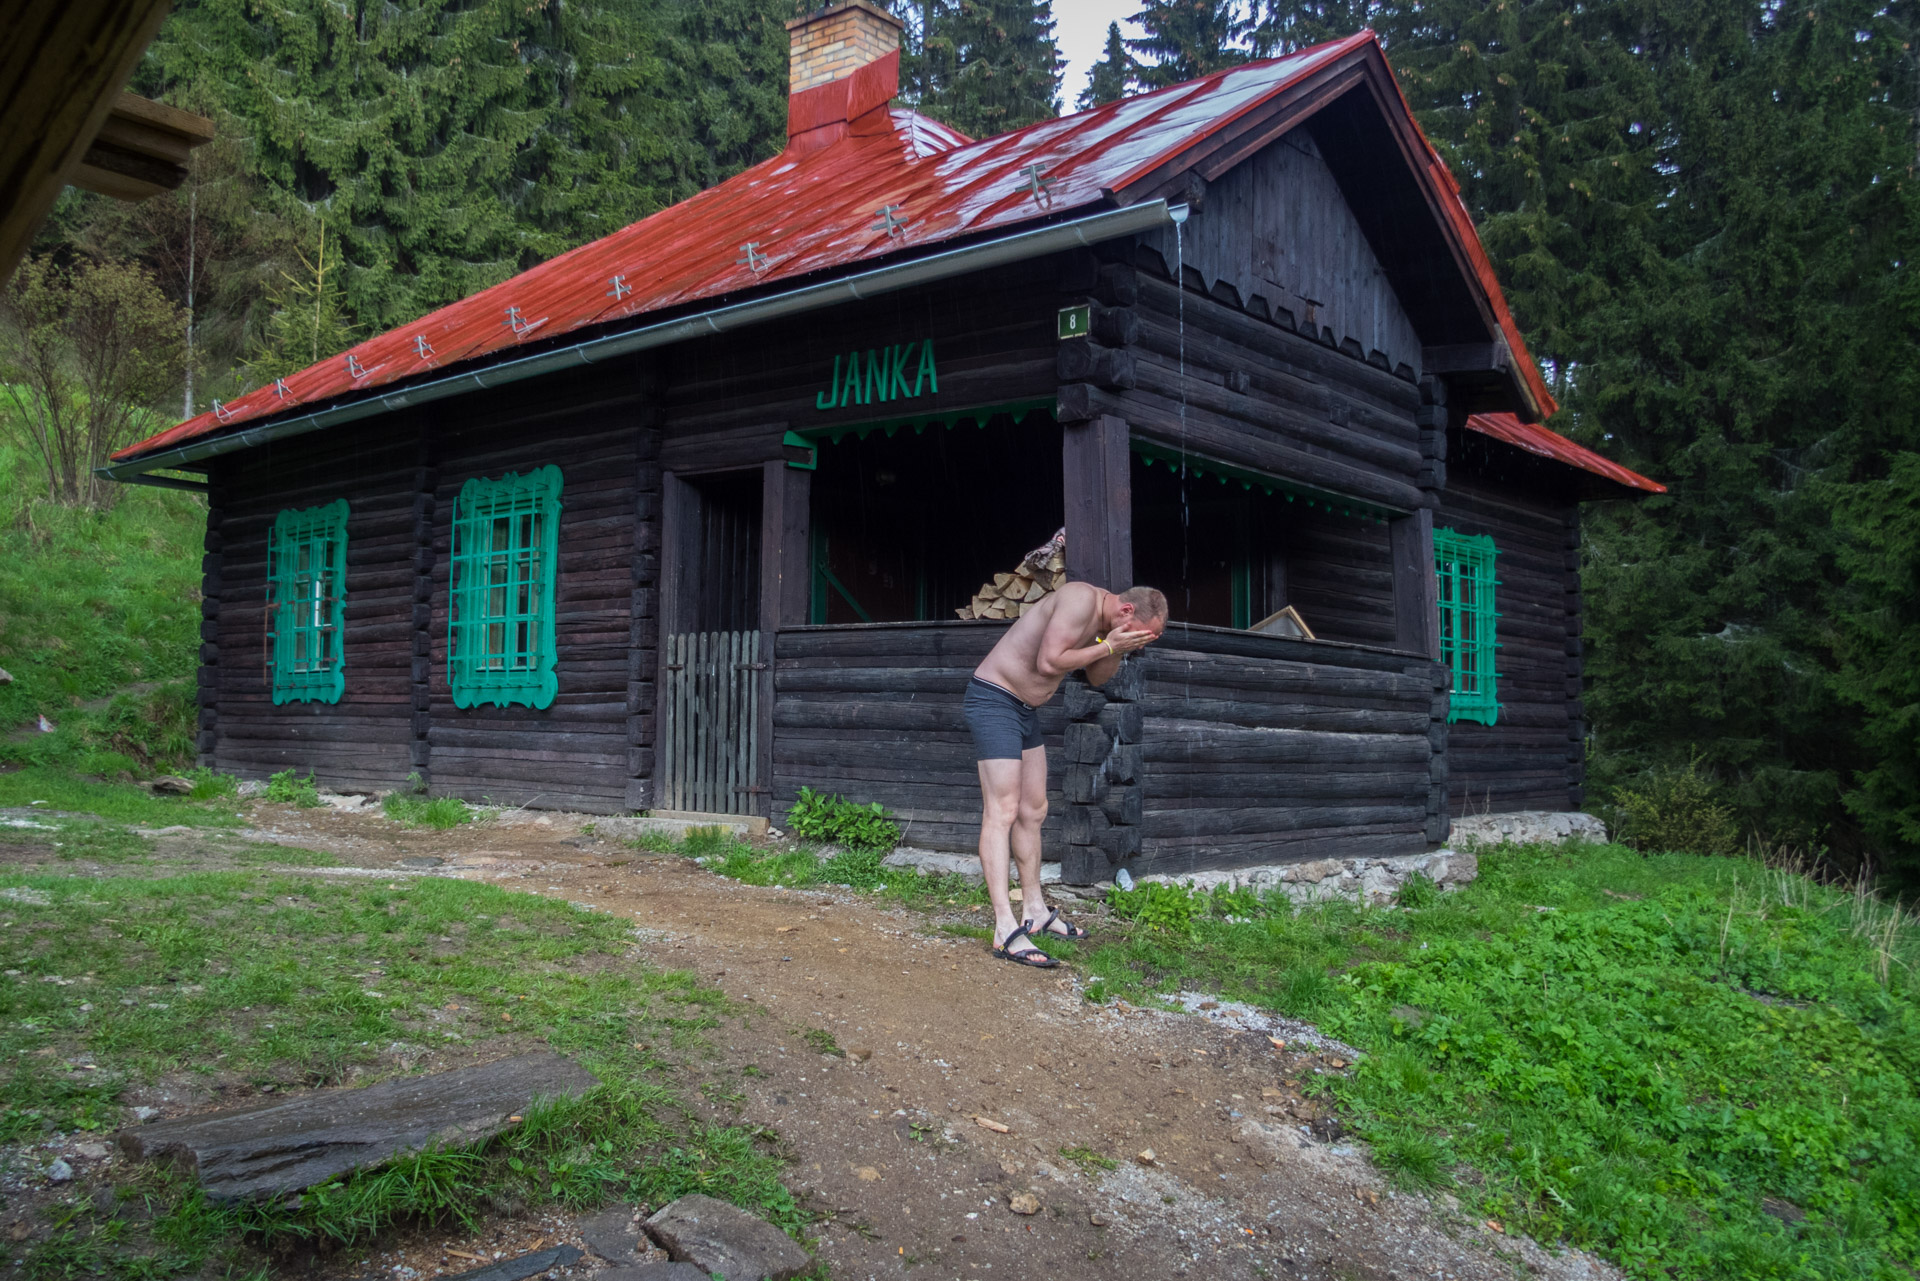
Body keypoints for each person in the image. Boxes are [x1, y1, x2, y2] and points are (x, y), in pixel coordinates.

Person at [964, 582, 1168, 967]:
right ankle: (1004, 928)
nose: (1140, 647)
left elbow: (1096, 678)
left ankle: (1035, 911)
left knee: (1034, 810)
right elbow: (1048, 662)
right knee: (1003, 810)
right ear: (1126, 611)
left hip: (1023, 710)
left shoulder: (1106, 624)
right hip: (994, 700)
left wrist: (1112, 644)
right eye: (1141, 637)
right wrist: (1111, 645)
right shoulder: (1078, 600)